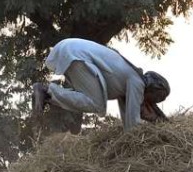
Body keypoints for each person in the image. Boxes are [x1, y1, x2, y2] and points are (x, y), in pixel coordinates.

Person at [32, 37, 170, 130]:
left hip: (70, 49)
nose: (153, 102)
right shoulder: (137, 82)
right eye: (157, 99)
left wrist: (155, 119)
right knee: (97, 104)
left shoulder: (128, 81)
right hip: (78, 54)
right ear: (152, 91)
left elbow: (128, 120)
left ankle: (48, 95)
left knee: (85, 98)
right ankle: (47, 92)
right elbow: (133, 127)